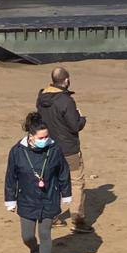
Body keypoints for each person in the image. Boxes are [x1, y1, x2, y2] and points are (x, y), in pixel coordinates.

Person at [5, 112, 71, 253]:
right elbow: (11, 177)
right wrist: (10, 200)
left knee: (45, 233)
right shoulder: (17, 152)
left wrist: (66, 194)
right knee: (27, 236)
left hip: (49, 198)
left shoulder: (54, 149)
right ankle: (35, 251)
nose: (45, 139)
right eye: (41, 137)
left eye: (47, 136)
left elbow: (63, 172)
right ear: (31, 136)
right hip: (26, 199)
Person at [37, 66, 93, 233]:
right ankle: (77, 220)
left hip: (48, 148)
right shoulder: (66, 101)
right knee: (76, 182)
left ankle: (51, 216)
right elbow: (75, 125)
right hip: (69, 149)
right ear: (66, 80)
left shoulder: (41, 98)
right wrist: (82, 118)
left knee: (51, 181)